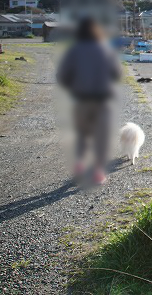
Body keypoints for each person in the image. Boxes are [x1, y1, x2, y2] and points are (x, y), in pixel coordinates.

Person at [57, 18, 121, 184]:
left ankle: (79, 166)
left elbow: (62, 76)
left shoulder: (73, 50)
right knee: (101, 136)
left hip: (81, 99)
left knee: (82, 134)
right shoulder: (105, 49)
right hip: (102, 99)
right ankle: (98, 171)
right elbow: (116, 73)